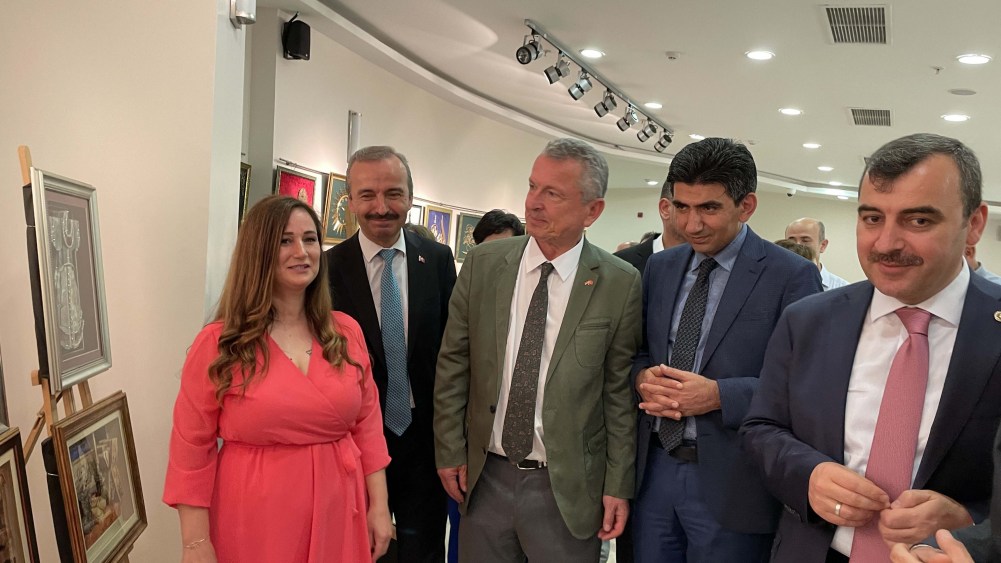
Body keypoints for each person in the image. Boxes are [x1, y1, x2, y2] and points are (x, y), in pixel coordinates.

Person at [741, 133, 1001, 563]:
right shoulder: (807, 321)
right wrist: (809, 475)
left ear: (974, 223)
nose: (886, 244)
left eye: (919, 221)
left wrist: (975, 523)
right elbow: (761, 428)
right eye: (872, 218)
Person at [433, 137, 642, 562]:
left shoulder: (619, 282)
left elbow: (617, 393)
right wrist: (449, 448)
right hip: (485, 477)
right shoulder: (484, 264)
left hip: (566, 488)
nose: (533, 202)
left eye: (553, 193)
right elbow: (454, 363)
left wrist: (618, 483)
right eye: (532, 186)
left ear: (592, 211)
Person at [164, 195, 391, 562]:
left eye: (310, 239)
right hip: (255, 516)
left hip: (338, 509)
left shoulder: (345, 332)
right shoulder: (220, 343)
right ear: (258, 252)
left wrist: (379, 506)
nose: (302, 252)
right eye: (285, 241)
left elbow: (368, 426)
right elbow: (191, 448)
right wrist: (195, 541)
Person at [631, 137, 822, 563]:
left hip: (734, 481)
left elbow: (805, 386)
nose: (691, 224)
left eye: (709, 208)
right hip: (654, 471)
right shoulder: (660, 267)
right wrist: (643, 379)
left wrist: (719, 395)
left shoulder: (791, 276)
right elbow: (637, 353)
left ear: (746, 205)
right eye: (681, 207)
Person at [325, 146, 456, 563]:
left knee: (424, 550)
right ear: (350, 200)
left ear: (410, 197)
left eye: (393, 193)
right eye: (367, 195)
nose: (381, 207)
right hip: (355, 443)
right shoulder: (326, 269)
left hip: (424, 442)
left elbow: (453, 351)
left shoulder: (437, 260)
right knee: (359, 550)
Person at [614, 178, 687, 275]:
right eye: (685, 207)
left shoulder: (706, 263)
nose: (697, 219)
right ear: (665, 209)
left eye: (705, 208)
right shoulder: (619, 264)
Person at [785, 217, 851, 289]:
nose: (797, 245)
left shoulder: (842, 289)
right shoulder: (777, 284)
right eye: (791, 241)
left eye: (805, 240)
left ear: (823, 245)